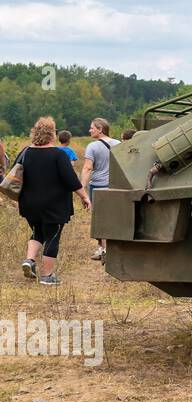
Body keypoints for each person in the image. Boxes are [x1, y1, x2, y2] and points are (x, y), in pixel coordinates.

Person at [18, 116, 87, 285]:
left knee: (37, 232)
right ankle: (47, 276)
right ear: (52, 134)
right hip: (53, 204)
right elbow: (71, 180)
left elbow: (15, 175)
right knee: (52, 236)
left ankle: (29, 260)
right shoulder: (58, 154)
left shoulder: (25, 152)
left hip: (29, 204)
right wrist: (84, 196)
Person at [81, 118, 119, 261]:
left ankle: (102, 249)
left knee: (99, 219)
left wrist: (82, 187)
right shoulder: (118, 144)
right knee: (113, 217)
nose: (89, 130)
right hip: (115, 186)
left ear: (100, 129)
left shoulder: (92, 146)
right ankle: (111, 248)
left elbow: (88, 167)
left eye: (92, 128)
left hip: (98, 186)